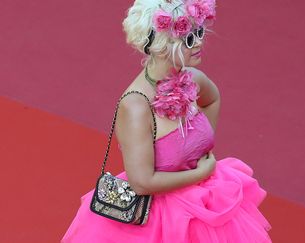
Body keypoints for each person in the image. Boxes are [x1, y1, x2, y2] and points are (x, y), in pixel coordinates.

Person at [61, 0, 272, 242]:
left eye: (200, 32)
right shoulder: (135, 107)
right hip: (159, 222)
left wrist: (198, 144)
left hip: (204, 204)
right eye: (189, 38)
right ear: (161, 47)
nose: (200, 42)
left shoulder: (194, 79)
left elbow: (212, 100)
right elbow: (142, 182)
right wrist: (201, 172)